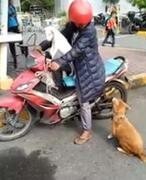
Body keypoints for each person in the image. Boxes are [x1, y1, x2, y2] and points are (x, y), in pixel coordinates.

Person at [48, 0, 106, 145]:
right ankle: (63, 95)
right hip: (77, 62)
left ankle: (87, 132)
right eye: (78, 23)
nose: (81, 25)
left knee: (83, 100)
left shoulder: (89, 31)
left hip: (88, 69)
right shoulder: (73, 24)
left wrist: (60, 62)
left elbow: (77, 50)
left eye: (83, 23)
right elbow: (59, 36)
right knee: (58, 70)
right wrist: (42, 46)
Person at [8, 0, 22, 69]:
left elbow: (15, 16)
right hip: (9, 27)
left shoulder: (12, 6)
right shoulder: (4, 8)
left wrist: (18, 25)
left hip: (15, 25)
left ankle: (23, 53)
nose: (10, 1)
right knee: (11, 43)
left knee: (21, 39)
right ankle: (14, 59)